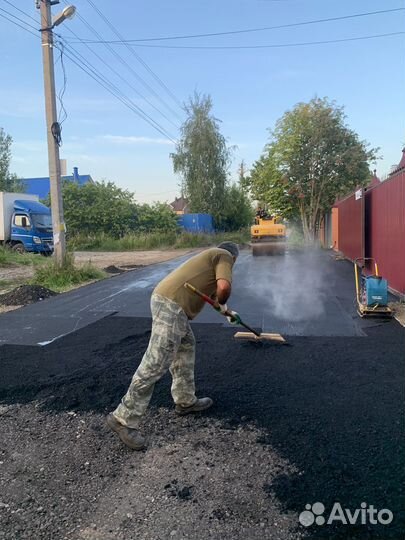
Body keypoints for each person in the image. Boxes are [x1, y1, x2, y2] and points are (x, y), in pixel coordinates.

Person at [106, 242, 240, 450]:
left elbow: (217, 300)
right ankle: (122, 419)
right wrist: (224, 296)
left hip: (170, 305)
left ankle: (185, 400)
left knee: (186, 347)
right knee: (156, 361)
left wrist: (228, 313)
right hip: (171, 306)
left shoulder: (208, 264)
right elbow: (224, 288)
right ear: (234, 258)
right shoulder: (224, 255)